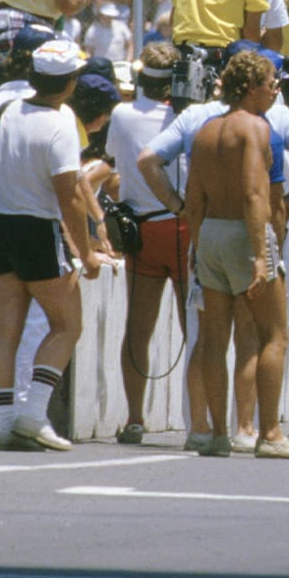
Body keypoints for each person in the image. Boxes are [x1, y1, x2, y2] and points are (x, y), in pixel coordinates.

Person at [183, 51, 289, 460]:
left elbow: (194, 197)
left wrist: (196, 243)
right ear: (251, 88)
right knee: (274, 334)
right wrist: (262, 253)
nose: (277, 89)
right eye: (270, 82)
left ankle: (218, 434)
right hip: (245, 233)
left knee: (213, 338)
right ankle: (271, 433)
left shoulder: (206, 130)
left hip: (210, 233)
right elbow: (253, 193)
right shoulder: (255, 128)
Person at [0, 38, 113, 450]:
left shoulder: (5, 112)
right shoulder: (60, 123)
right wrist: (86, 250)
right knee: (67, 324)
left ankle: (3, 421)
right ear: (71, 83)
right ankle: (34, 413)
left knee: (5, 329)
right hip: (37, 229)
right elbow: (69, 194)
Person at [106, 42, 186, 444]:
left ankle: (135, 417)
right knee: (198, 331)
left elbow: (113, 160)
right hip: (182, 225)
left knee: (137, 330)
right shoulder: (186, 116)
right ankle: (201, 420)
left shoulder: (121, 115)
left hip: (141, 228)